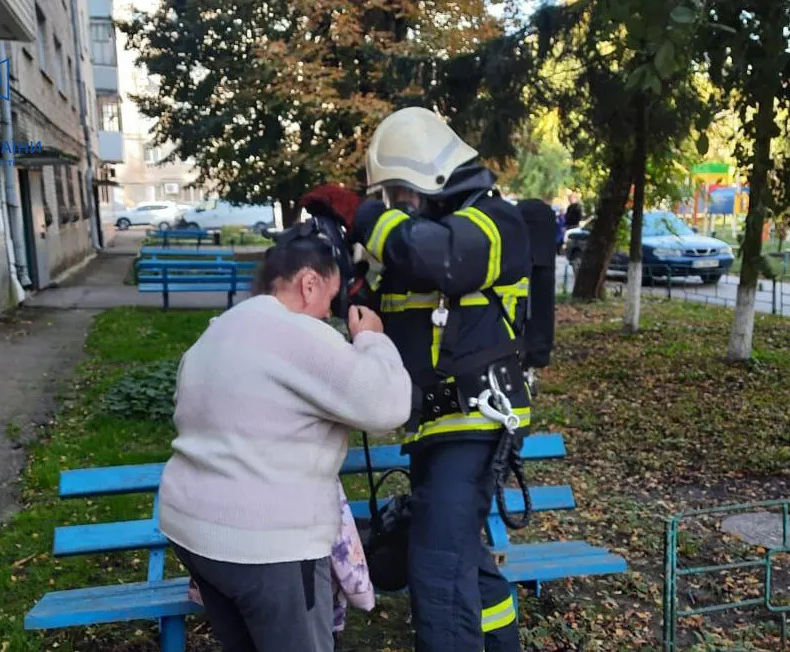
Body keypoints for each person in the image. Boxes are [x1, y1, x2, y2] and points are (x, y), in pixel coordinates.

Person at [157, 232, 412, 652]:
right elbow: (389, 406)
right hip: (267, 545)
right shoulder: (297, 335)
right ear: (309, 284)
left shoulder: (217, 333)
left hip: (193, 532)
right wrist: (372, 339)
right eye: (330, 298)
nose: (329, 313)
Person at [348, 106, 533, 652]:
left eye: (399, 194)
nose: (396, 206)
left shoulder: (495, 223)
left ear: (432, 178)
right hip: (435, 429)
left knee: (437, 570)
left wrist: (363, 217)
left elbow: (444, 259)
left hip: (477, 420)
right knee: (462, 560)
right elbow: (384, 310)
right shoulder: (421, 240)